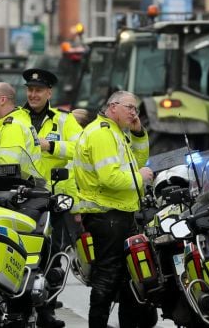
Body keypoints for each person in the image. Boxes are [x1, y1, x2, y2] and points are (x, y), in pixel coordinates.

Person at [71, 90, 156, 328]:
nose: (133, 112)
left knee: (126, 277)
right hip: (107, 215)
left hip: (118, 213)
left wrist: (138, 134)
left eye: (135, 109)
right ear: (113, 107)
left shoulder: (115, 132)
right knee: (108, 276)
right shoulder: (102, 135)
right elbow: (111, 178)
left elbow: (136, 162)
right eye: (129, 107)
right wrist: (139, 178)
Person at [21, 68, 83, 328]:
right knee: (26, 253)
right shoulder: (16, 118)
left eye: (38, 90)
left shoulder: (64, 120)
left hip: (56, 199)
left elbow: (81, 148)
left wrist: (52, 146)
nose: (33, 94)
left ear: (49, 93)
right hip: (24, 197)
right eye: (30, 90)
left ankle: (47, 310)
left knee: (53, 255)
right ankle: (22, 306)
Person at [0, 82, 43, 180]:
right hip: (13, 191)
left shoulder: (12, 126)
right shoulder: (6, 125)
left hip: (6, 192)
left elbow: (6, 173)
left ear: (2, 100)